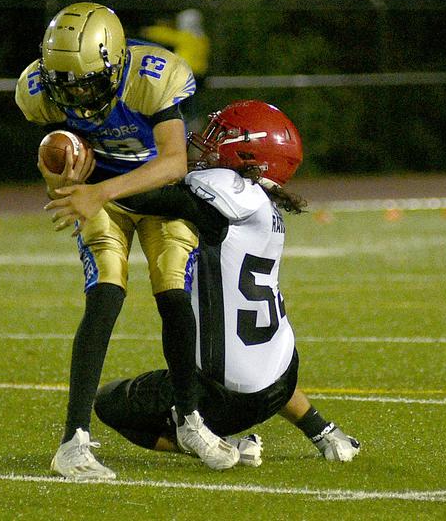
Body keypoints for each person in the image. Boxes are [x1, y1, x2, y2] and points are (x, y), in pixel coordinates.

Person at [53, 100, 360, 465]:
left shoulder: (227, 188)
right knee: (257, 349)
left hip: (223, 397)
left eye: (220, 137)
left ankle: (213, 441)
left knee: (110, 402)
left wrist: (90, 181)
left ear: (250, 155)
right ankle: (323, 430)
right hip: (281, 379)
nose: (203, 143)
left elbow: (150, 198)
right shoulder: (268, 212)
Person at [15, 2, 239, 480]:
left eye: (86, 81)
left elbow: (175, 162)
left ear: (116, 61)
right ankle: (73, 442)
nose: (75, 92)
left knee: (174, 294)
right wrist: (59, 177)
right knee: (106, 293)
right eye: (65, 83)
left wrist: (101, 191)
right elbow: (61, 164)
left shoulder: (153, 74)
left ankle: (188, 419)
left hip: (153, 192)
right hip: (104, 198)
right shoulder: (39, 88)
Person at [140, 8, 210, 131]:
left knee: (182, 103)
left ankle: (185, 127)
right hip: (200, 75)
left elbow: (165, 35)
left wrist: (147, 30)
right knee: (191, 103)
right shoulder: (203, 39)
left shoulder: (185, 37)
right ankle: (193, 123)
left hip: (186, 74)